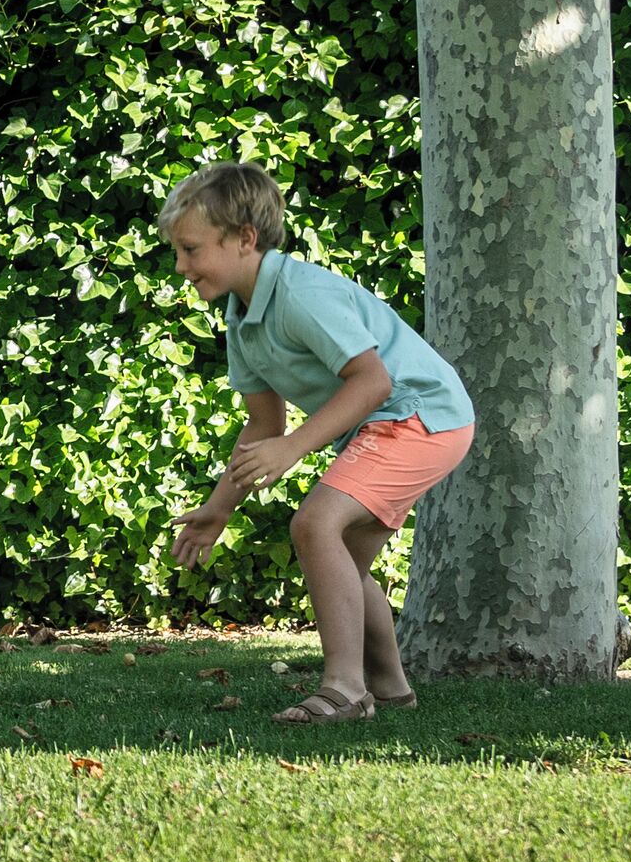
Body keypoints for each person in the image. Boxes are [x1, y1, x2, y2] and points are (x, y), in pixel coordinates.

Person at [158, 161, 473, 725]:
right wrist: (217, 509)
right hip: (398, 420)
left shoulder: (301, 294)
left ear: (244, 239)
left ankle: (345, 688)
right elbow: (262, 428)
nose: (180, 266)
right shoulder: (243, 318)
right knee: (345, 559)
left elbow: (373, 381)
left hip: (421, 413)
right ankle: (392, 689)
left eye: (190, 249)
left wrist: (296, 448)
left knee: (313, 524)